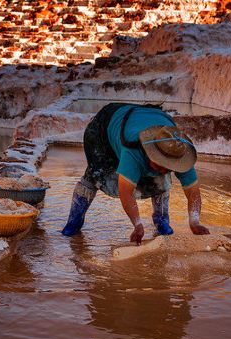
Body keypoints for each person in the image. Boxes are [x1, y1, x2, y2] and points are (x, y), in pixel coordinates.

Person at [61, 102, 210, 244]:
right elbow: (125, 191)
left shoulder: (177, 149)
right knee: (96, 175)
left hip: (145, 117)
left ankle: (162, 224)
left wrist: (194, 222)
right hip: (105, 127)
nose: (165, 170)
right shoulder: (133, 150)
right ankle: (74, 223)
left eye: (169, 166)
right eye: (161, 163)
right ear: (151, 153)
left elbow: (193, 192)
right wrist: (137, 224)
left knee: (161, 181)